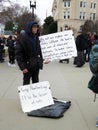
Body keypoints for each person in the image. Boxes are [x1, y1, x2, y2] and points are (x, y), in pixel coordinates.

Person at [15, 20, 49, 85]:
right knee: (26, 83)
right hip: (27, 65)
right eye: (34, 27)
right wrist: (23, 67)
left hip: (36, 64)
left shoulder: (37, 38)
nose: (36, 29)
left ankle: (35, 94)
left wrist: (44, 60)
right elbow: (18, 54)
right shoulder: (22, 38)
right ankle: (25, 95)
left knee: (36, 83)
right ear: (29, 28)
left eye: (36, 27)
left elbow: (40, 51)